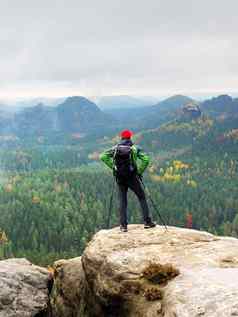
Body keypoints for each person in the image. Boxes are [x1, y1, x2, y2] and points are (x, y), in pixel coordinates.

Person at [100, 129, 156, 232]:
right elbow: (146, 160)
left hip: (120, 178)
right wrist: (139, 172)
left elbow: (103, 156)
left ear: (121, 138)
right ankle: (147, 222)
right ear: (130, 137)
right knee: (141, 196)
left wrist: (114, 167)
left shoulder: (115, 148)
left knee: (122, 201)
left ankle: (123, 226)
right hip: (132, 177)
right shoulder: (134, 148)